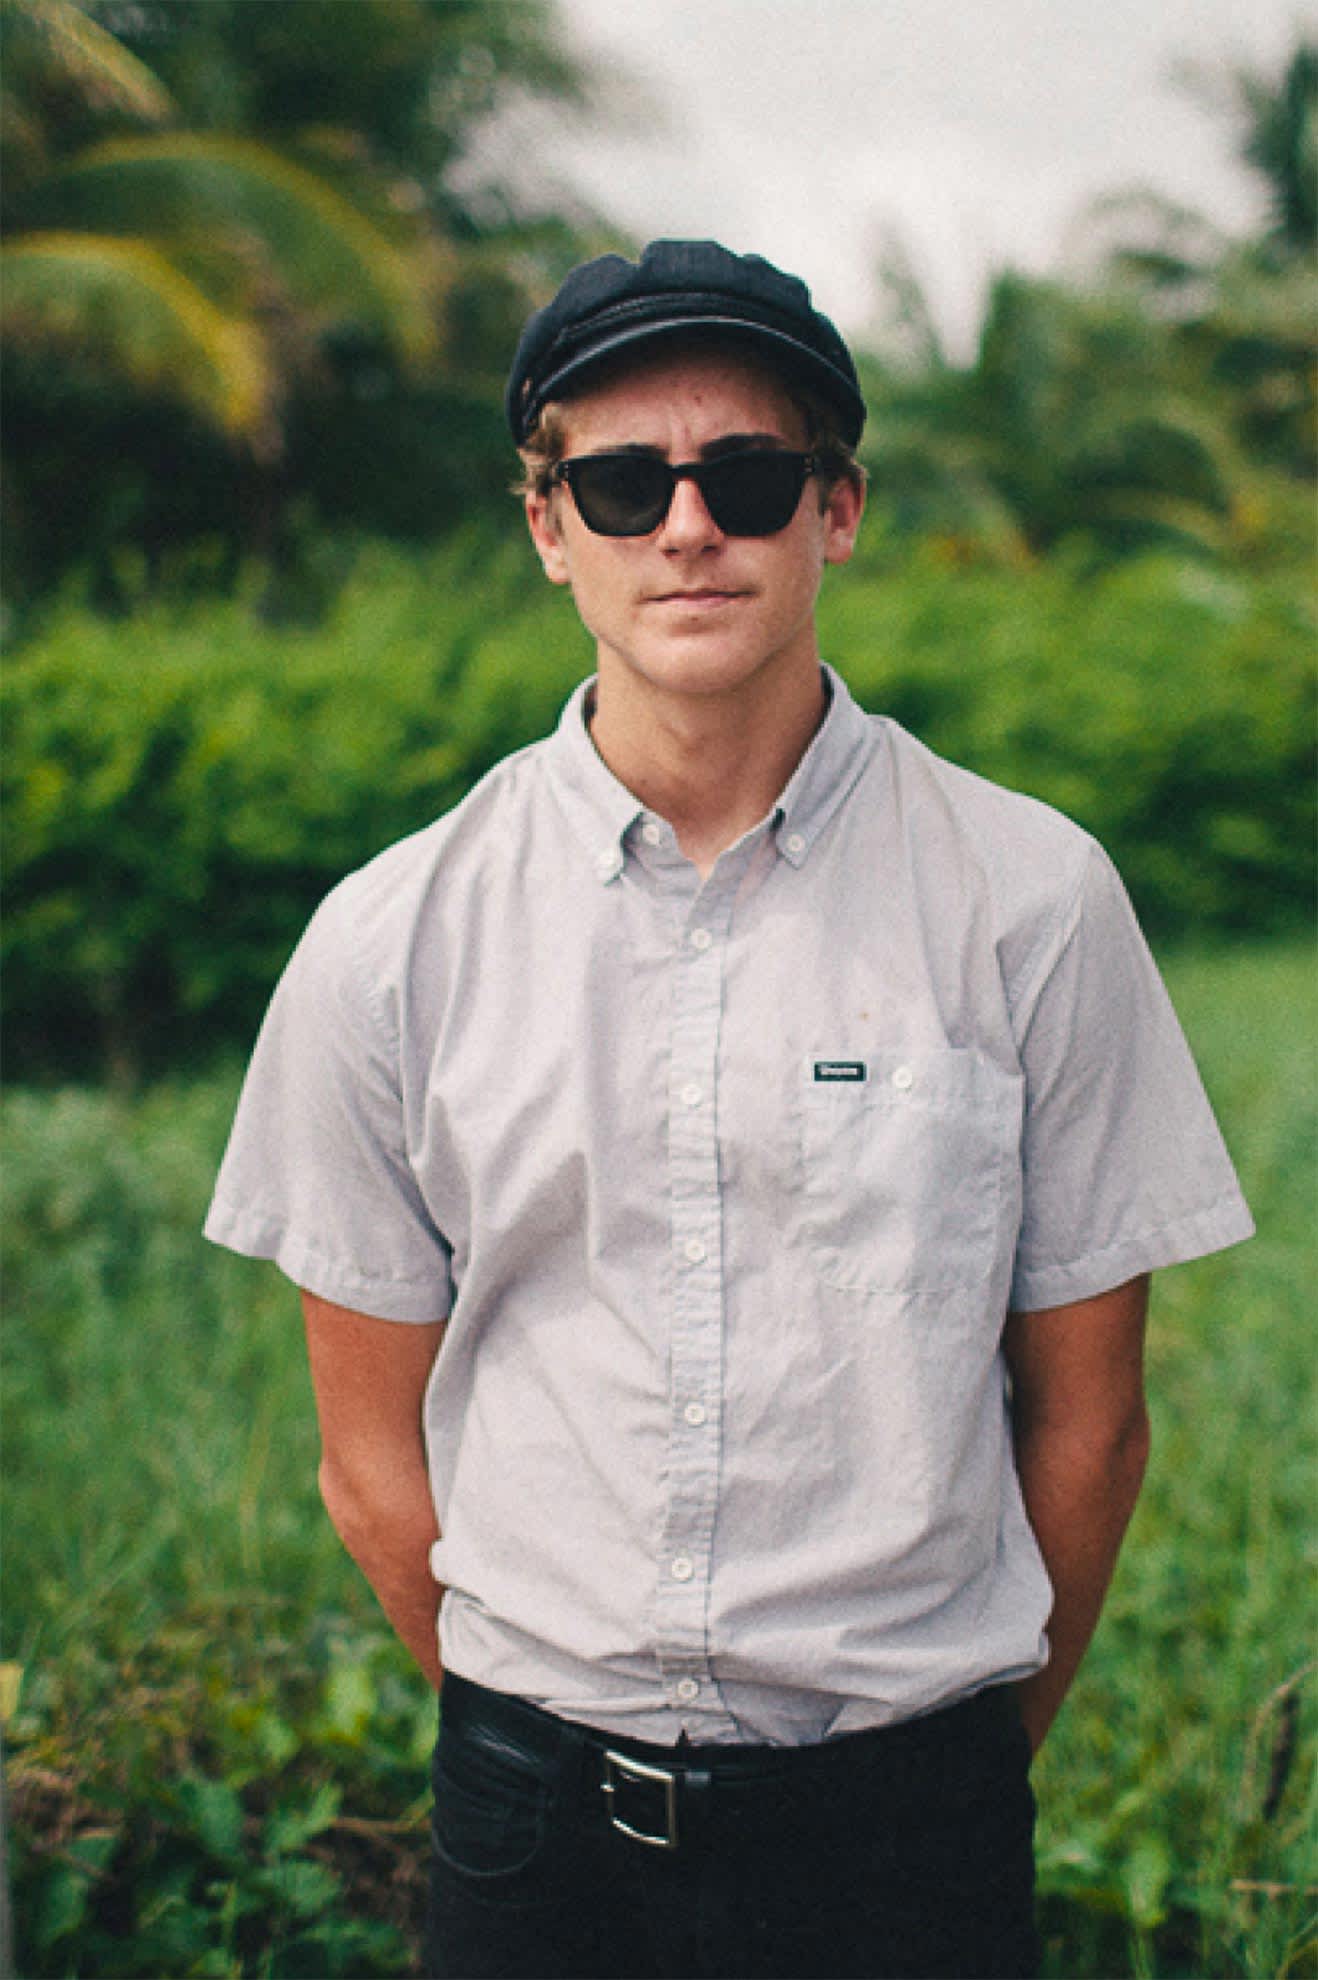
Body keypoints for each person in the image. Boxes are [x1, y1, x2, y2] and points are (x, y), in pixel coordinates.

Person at [205, 239, 1254, 1980]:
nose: (687, 527)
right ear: (549, 528)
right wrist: (526, 1749)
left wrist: (952, 1778)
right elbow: (370, 1464)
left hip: (911, 1836)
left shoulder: (1029, 901)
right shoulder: (390, 940)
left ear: (835, 511)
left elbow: (1090, 1428)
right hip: (534, 1844)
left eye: (747, 477)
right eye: (622, 485)